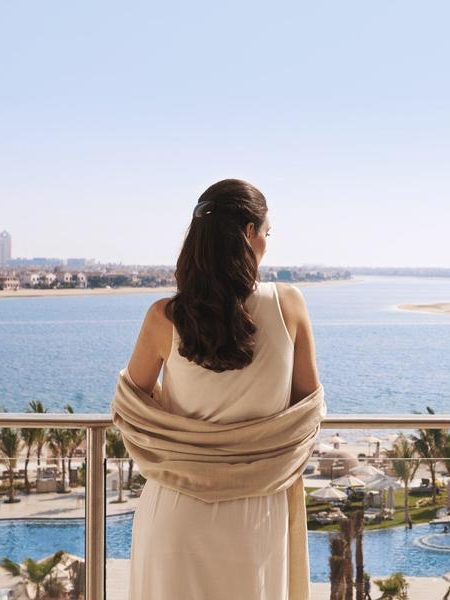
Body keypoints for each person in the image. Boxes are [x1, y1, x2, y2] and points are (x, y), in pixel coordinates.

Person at [125, 179, 321, 599]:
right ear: (249, 233)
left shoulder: (164, 316)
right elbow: (307, 409)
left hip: (175, 506)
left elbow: (131, 405)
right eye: (267, 233)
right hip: (256, 511)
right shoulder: (288, 304)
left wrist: (185, 431)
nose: (267, 243)